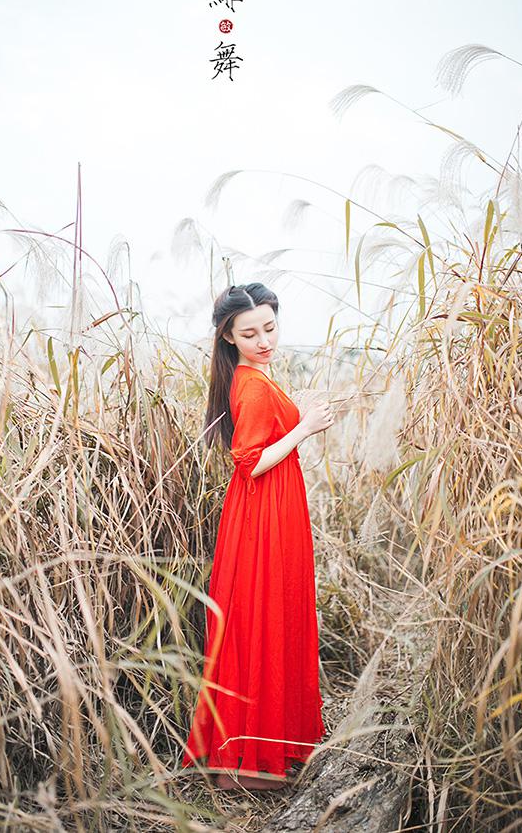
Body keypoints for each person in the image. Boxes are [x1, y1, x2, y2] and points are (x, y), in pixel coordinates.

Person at [181, 282, 335, 791]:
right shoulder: (250, 384)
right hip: (263, 512)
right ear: (228, 336)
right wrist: (305, 427)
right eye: (250, 334)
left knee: (269, 615)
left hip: (270, 509)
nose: (264, 340)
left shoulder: (255, 376)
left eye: (270, 328)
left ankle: (257, 748)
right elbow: (249, 463)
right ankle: (249, 760)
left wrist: (295, 415)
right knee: (263, 617)